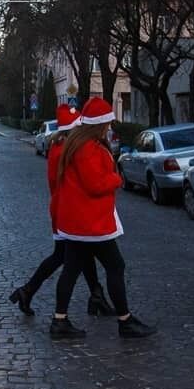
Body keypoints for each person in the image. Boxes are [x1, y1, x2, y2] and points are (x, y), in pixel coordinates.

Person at [50, 97, 155, 339]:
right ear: (100, 124)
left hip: (80, 221)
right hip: (90, 223)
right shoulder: (88, 148)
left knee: (72, 269)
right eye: (107, 122)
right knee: (115, 266)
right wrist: (117, 178)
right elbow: (96, 184)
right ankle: (125, 321)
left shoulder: (79, 144)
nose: (110, 127)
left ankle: (60, 320)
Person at [9, 103, 115, 317]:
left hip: (64, 208)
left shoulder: (63, 146)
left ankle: (96, 295)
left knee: (79, 254)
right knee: (66, 257)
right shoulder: (65, 150)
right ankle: (31, 293)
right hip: (66, 209)